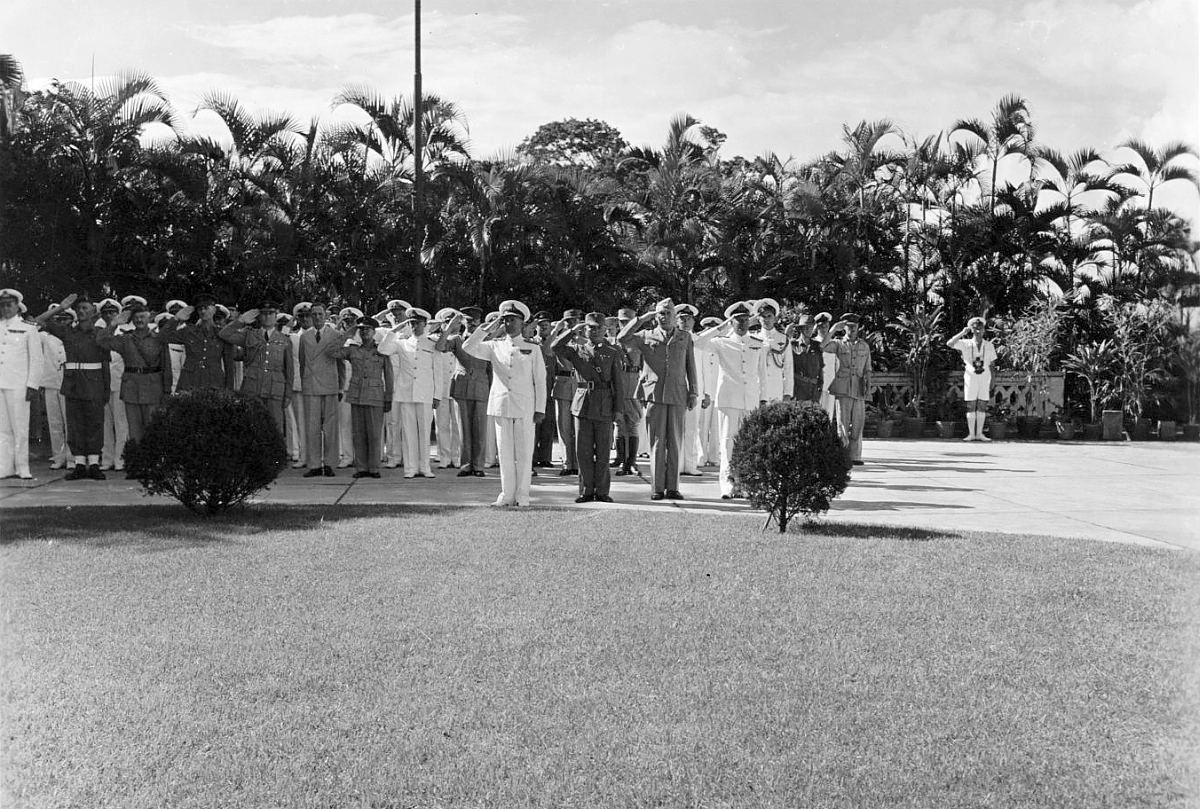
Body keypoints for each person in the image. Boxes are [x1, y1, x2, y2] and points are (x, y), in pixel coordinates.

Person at [461, 300, 547, 507]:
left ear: (522, 322)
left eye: (513, 320)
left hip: (525, 406)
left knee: (524, 454)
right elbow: (468, 346)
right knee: (505, 454)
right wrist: (487, 329)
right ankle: (507, 494)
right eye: (506, 320)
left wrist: (540, 408)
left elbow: (540, 380)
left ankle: (522, 495)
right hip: (501, 405)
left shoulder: (532, 348)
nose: (509, 324)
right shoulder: (494, 345)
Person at [617, 297, 698, 501]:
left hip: (678, 394)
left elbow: (691, 366)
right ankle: (657, 487)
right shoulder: (646, 335)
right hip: (654, 395)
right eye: (660, 313)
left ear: (675, 316)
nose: (664, 317)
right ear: (656, 316)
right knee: (657, 442)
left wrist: (694, 391)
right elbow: (622, 338)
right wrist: (642, 318)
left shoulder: (685, 337)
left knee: (675, 442)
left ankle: (673, 487)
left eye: (668, 313)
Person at [693, 301, 768, 499]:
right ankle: (727, 485)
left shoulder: (757, 343)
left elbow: (763, 374)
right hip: (728, 399)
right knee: (727, 444)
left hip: (750, 399)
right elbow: (697, 343)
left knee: (747, 444)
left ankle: (744, 484)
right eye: (737, 320)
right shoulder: (720, 341)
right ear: (731, 321)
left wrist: (764, 399)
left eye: (745, 319)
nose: (742, 324)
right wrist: (720, 327)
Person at [550, 312, 624, 503]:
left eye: (599, 327)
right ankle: (586, 490)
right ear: (585, 328)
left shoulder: (613, 352)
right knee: (582, 452)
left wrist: (618, 410)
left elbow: (619, 383)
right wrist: (571, 330)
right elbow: (555, 347)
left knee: (603, 452)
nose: (595, 330)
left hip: (605, 404)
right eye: (591, 327)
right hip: (582, 403)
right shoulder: (577, 349)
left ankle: (602, 491)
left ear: (605, 329)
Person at [35, 294, 109, 480]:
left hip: (94, 385)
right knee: (75, 425)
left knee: (94, 424)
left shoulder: (100, 333)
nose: (81, 311)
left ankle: (93, 464)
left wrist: (105, 389)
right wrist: (60, 308)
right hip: (73, 385)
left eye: (85, 308)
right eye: (78, 309)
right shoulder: (68, 331)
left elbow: (106, 365)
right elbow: (36, 322)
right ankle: (79, 465)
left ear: (94, 312)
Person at [97, 304, 169, 449]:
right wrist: (114, 324)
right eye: (135, 317)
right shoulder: (126, 339)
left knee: (152, 428)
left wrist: (166, 390)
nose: (139, 320)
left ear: (149, 317)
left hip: (153, 387)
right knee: (134, 429)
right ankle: (137, 463)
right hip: (132, 387)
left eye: (142, 316)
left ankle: (152, 463)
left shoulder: (158, 338)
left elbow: (166, 366)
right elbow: (101, 341)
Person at [329, 316, 393, 478]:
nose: (364, 332)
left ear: (374, 332)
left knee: (374, 433)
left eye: (368, 329)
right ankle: (361, 468)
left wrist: (388, 397)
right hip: (356, 395)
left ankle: (374, 468)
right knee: (358, 433)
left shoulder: (381, 350)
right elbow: (331, 351)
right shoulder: (352, 349)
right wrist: (347, 334)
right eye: (361, 329)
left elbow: (389, 375)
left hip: (375, 395)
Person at [219, 302, 294, 436]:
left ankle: (275, 457)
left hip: (275, 390)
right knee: (250, 427)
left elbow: (289, 370)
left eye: (270, 313)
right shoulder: (250, 335)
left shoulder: (284, 340)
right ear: (259, 316)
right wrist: (240, 321)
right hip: (253, 388)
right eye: (263, 313)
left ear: (276, 315)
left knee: (275, 429)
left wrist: (287, 394)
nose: (267, 317)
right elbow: (225, 334)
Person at [388, 306, 443, 479]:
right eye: (411, 322)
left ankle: (425, 467)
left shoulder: (432, 343)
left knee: (424, 431)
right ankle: (410, 468)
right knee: (408, 431)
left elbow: (438, 371)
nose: (414, 326)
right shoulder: (402, 342)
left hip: (425, 393)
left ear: (425, 324)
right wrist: (394, 330)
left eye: (417, 323)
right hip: (406, 393)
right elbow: (383, 349)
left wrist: (437, 395)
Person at [436, 306, 490, 477]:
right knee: (463, 428)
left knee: (479, 427)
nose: (472, 323)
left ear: (480, 322)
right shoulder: (457, 339)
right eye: (468, 320)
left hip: (481, 385)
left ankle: (479, 466)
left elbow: (493, 368)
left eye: (475, 320)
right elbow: (440, 347)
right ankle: (466, 464)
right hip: (462, 386)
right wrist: (449, 327)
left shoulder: (487, 340)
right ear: (463, 322)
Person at [0, 288, 43, 480]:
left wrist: (32, 385)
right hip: (1, 383)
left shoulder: (28, 328)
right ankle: (4, 466)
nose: (6, 308)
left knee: (20, 427)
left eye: (9, 304)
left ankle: (22, 467)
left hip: (19, 384)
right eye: (2, 305)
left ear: (18, 306)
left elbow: (36, 359)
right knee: (2, 429)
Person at [298, 303, 344, 477]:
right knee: (312, 427)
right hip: (311, 386)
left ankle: (331, 464)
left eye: (320, 314)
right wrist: (305, 383)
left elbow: (341, 365)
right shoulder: (305, 336)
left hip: (330, 386)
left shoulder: (336, 335)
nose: (317, 317)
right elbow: (302, 362)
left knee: (331, 427)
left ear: (325, 315)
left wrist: (340, 386)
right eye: (314, 314)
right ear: (310, 316)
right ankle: (314, 464)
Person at [823, 313, 872, 465]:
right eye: (849, 326)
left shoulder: (864, 345)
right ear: (844, 328)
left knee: (858, 422)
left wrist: (868, 387)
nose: (851, 329)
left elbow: (868, 368)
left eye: (854, 326)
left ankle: (855, 456)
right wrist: (832, 330)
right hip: (843, 387)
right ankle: (843, 456)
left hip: (859, 387)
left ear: (858, 327)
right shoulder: (838, 343)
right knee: (842, 424)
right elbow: (822, 346)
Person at [159, 295, 236, 391]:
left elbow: (229, 367)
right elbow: (162, 337)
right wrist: (176, 319)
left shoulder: (222, 334)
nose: (203, 311)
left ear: (214, 310)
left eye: (206, 308)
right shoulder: (188, 331)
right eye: (200, 309)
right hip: (189, 383)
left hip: (214, 385)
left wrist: (229, 392)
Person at [948, 316, 998, 441]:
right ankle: (971, 434)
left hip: (985, 376)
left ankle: (979, 433)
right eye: (975, 328)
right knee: (971, 404)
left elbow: (992, 365)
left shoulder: (989, 345)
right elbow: (950, 343)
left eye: (980, 328)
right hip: (971, 376)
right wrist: (962, 333)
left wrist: (993, 380)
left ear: (983, 330)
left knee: (982, 403)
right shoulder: (966, 343)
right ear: (971, 330)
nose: (977, 331)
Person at [97, 298, 129, 471]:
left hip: (119, 383)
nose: (109, 315)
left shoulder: (124, 333)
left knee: (121, 423)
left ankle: (120, 459)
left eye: (112, 312)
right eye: (106, 313)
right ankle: (107, 459)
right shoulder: (99, 332)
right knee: (105, 424)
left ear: (118, 314)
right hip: (102, 383)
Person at [552, 308, 584, 476]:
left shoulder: (584, 340)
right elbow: (548, 349)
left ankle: (578, 463)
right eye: (568, 321)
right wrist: (557, 330)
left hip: (579, 385)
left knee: (578, 427)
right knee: (564, 427)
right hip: (563, 384)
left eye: (574, 320)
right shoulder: (558, 339)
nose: (572, 323)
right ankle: (567, 463)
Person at [612, 307, 644, 476]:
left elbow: (646, 366)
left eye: (628, 322)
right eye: (622, 322)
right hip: (618, 384)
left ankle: (631, 462)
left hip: (633, 384)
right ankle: (620, 459)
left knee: (632, 424)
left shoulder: (640, 341)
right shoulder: (613, 342)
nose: (624, 325)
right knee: (619, 423)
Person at [675, 303, 705, 477]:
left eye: (688, 319)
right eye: (682, 318)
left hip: (695, 389)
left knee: (692, 429)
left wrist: (705, 391)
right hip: (678, 388)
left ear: (694, 321)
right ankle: (677, 463)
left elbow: (703, 369)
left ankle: (691, 464)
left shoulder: (699, 340)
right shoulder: (674, 339)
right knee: (677, 427)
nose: (685, 322)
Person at [40, 308, 72, 469]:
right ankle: (58, 457)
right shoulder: (45, 337)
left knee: (70, 422)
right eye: (59, 320)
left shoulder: (73, 336)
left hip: (69, 384)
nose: (62, 323)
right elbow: (33, 325)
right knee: (55, 423)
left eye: (66, 319)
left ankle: (72, 457)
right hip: (51, 383)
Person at [431, 308, 462, 469]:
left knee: (457, 425)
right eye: (449, 322)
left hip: (457, 388)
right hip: (441, 388)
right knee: (441, 425)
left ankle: (456, 457)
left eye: (456, 321)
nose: (453, 324)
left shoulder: (463, 339)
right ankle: (444, 457)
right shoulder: (435, 339)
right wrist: (448, 329)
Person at [286, 302, 313, 468]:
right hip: (299, 385)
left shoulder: (322, 335)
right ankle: (304, 456)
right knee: (301, 422)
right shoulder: (293, 337)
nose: (305, 319)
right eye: (300, 316)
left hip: (320, 385)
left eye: (307, 315)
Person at [754, 298, 794, 403]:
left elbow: (788, 368)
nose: (766, 319)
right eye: (763, 316)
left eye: (769, 316)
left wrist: (787, 393)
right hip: (757, 388)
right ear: (758, 318)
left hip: (776, 388)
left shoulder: (783, 339)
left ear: (775, 318)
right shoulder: (752, 338)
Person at [531, 311, 557, 468]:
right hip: (534, 387)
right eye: (541, 326)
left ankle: (546, 457)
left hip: (551, 385)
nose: (543, 328)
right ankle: (533, 457)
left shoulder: (555, 342)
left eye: (546, 326)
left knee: (548, 423)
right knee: (534, 424)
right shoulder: (532, 342)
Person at [695, 315, 721, 467]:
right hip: (706, 391)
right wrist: (705, 392)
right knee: (702, 426)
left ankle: (715, 457)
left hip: (719, 390)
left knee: (716, 427)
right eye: (707, 328)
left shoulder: (722, 343)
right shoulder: (701, 345)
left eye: (713, 327)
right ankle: (701, 456)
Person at [788, 314, 823, 403]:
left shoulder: (817, 346)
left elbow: (821, 368)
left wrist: (820, 386)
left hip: (813, 390)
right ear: (800, 329)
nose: (808, 330)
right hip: (798, 390)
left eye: (810, 327)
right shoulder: (793, 345)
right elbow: (788, 369)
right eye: (806, 327)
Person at [812, 311, 838, 421]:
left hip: (830, 384)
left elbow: (837, 366)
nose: (824, 329)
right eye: (821, 327)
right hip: (817, 384)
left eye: (826, 326)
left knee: (829, 415)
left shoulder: (834, 343)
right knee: (816, 414)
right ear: (817, 328)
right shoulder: (813, 342)